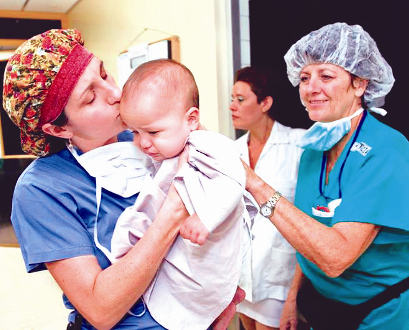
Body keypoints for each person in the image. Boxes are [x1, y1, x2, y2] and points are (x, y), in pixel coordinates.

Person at [2, 29, 243, 330]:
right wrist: (175, 208)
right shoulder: (42, 189)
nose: (115, 93)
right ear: (58, 129)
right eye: (91, 98)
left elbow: (228, 191)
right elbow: (101, 311)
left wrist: (218, 296)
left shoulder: (153, 136)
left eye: (104, 73)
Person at [242, 22, 409, 330]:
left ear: (359, 84)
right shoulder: (312, 150)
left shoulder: (385, 150)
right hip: (322, 307)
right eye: (304, 77)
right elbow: (309, 232)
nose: (311, 87)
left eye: (327, 76)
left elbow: (335, 257)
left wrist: (255, 184)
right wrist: (293, 297)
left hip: (379, 311)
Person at [111, 59, 252, 330]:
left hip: (207, 240)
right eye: (135, 132)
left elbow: (233, 179)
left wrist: (205, 218)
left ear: (191, 119)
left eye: (152, 131)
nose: (143, 142)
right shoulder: (166, 150)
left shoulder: (207, 145)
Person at [229, 66, 305, 330]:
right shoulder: (232, 151)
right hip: (242, 278)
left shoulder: (299, 145)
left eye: (241, 99)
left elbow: (308, 221)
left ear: (265, 103)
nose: (232, 106)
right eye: (232, 99)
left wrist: (294, 298)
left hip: (279, 277)